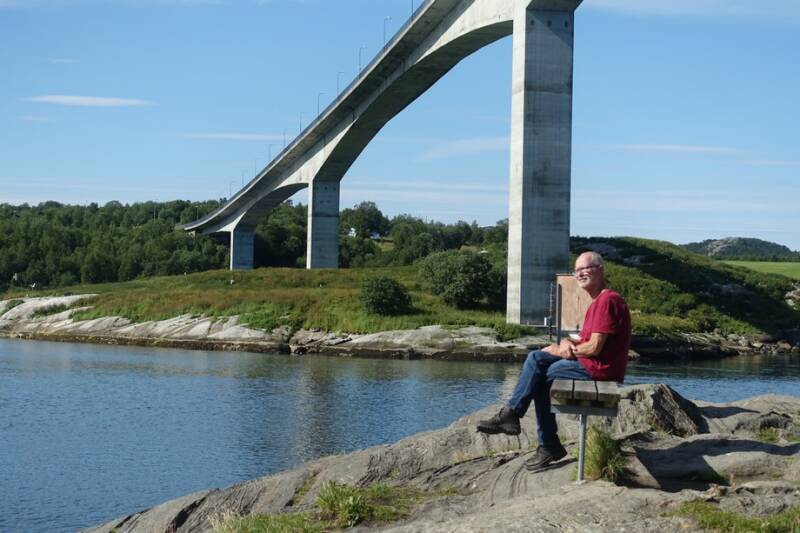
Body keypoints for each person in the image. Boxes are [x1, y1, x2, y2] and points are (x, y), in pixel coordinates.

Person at [476, 251, 631, 472]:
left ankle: (528, 428)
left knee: (538, 369)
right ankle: (535, 434)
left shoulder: (607, 301)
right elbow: (586, 340)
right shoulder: (599, 301)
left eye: (585, 268)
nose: (580, 273)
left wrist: (561, 350)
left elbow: (594, 348)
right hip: (593, 364)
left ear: (600, 270)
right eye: (577, 270)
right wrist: (566, 343)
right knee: (538, 361)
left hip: (600, 369)